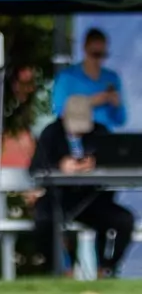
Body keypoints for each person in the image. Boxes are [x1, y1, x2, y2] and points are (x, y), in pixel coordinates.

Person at [30, 95, 135, 277]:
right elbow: (36, 167)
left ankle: (106, 268)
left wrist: (95, 163)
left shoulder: (99, 132)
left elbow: (115, 160)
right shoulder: (51, 133)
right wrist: (60, 166)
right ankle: (59, 270)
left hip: (91, 200)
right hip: (59, 199)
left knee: (124, 220)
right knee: (43, 219)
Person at [51, 29, 126, 132]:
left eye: (103, 55)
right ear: (85, 49)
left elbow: (121, 120)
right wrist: (90, 102)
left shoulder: (112, 78)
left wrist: (117, 105)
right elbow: (60, 112)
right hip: (77, 138)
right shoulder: (67, 77)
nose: (99, 60)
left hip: (105, 139)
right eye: (95, 54)